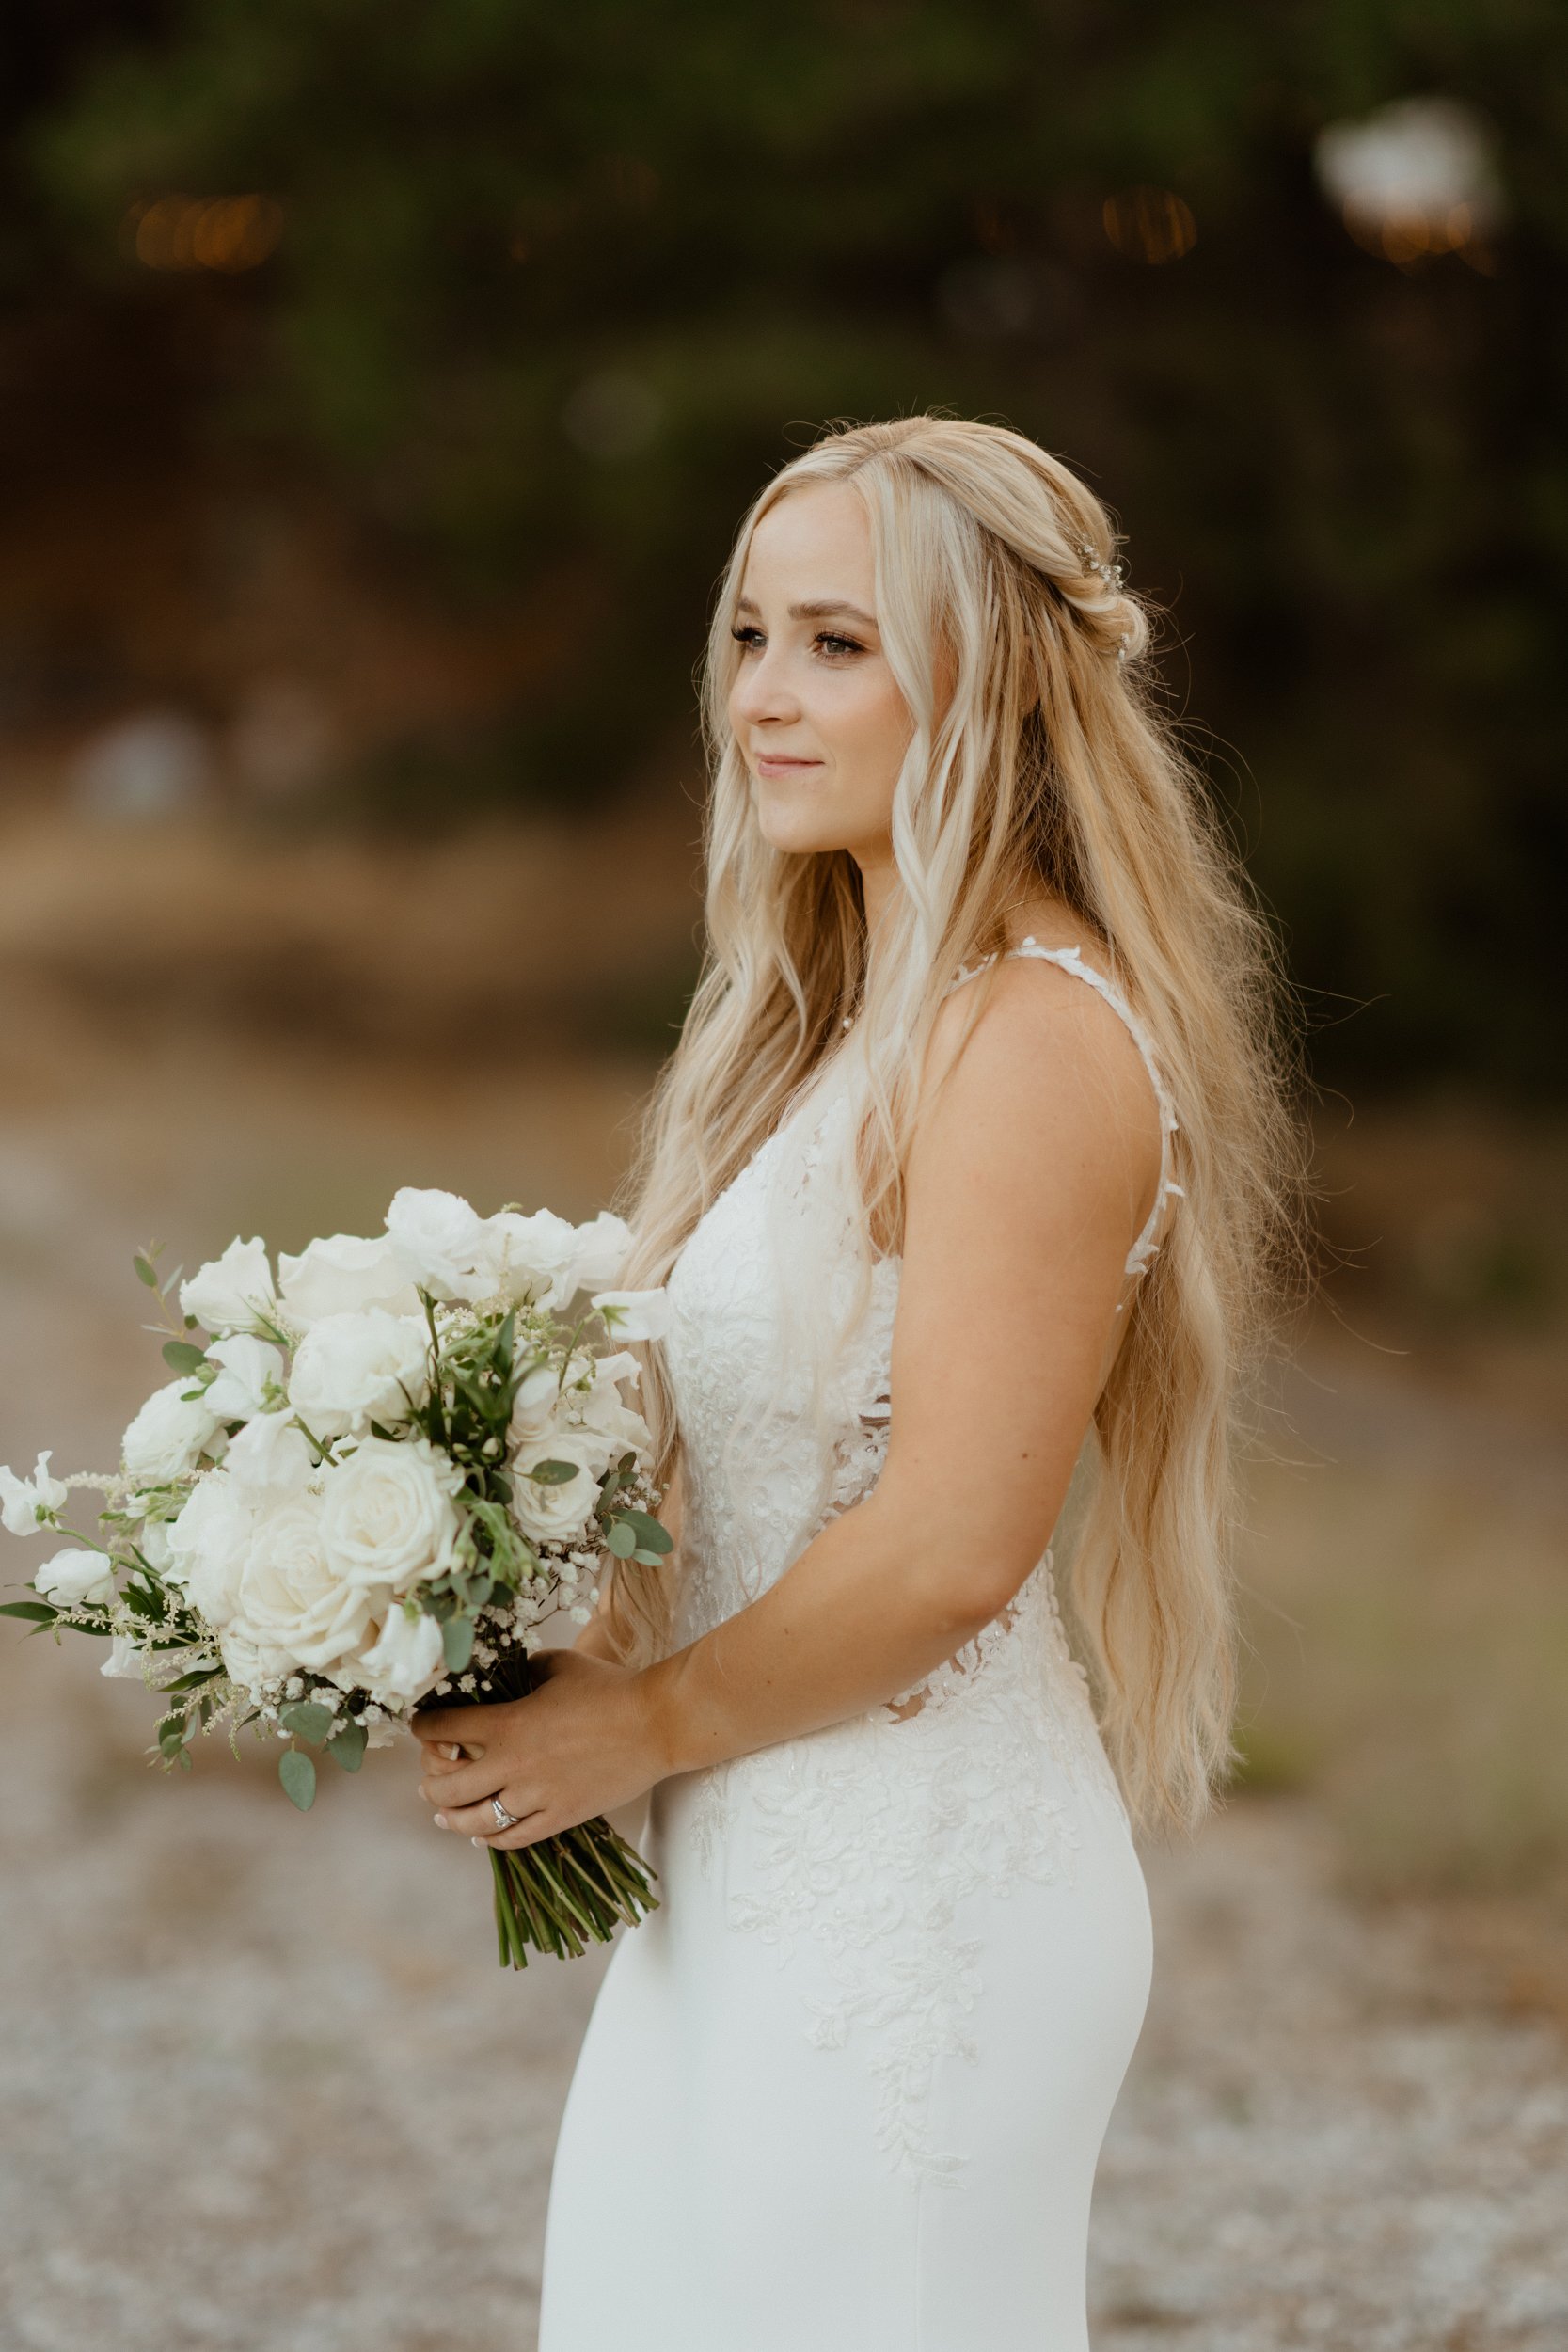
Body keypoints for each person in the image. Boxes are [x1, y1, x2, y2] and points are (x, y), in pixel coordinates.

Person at [414, 416, 1300, 2349]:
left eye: (837, 642)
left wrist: (633, 1723)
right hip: (737, 1853)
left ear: (991, 678)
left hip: (914, 1896)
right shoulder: (837, 1033)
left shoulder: (1033, 1045)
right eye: (748, 636)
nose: (764, 698)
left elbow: (959, 1544)